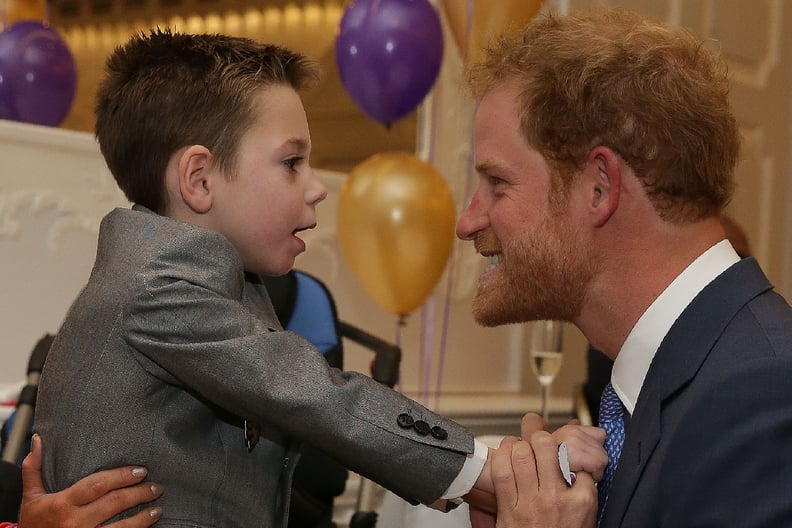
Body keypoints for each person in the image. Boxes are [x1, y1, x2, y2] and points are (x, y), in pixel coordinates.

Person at [32, 29, 606, 527]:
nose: (316, 186)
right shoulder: (157, 289)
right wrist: (496, 468)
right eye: (291, 162)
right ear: (199, 179)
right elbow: (313, 396)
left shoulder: (208, 280)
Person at [456, 7, 792, 528]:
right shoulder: (679, 382)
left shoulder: (759, 402)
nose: (468, 221)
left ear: (600, 188)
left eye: (498, 184)